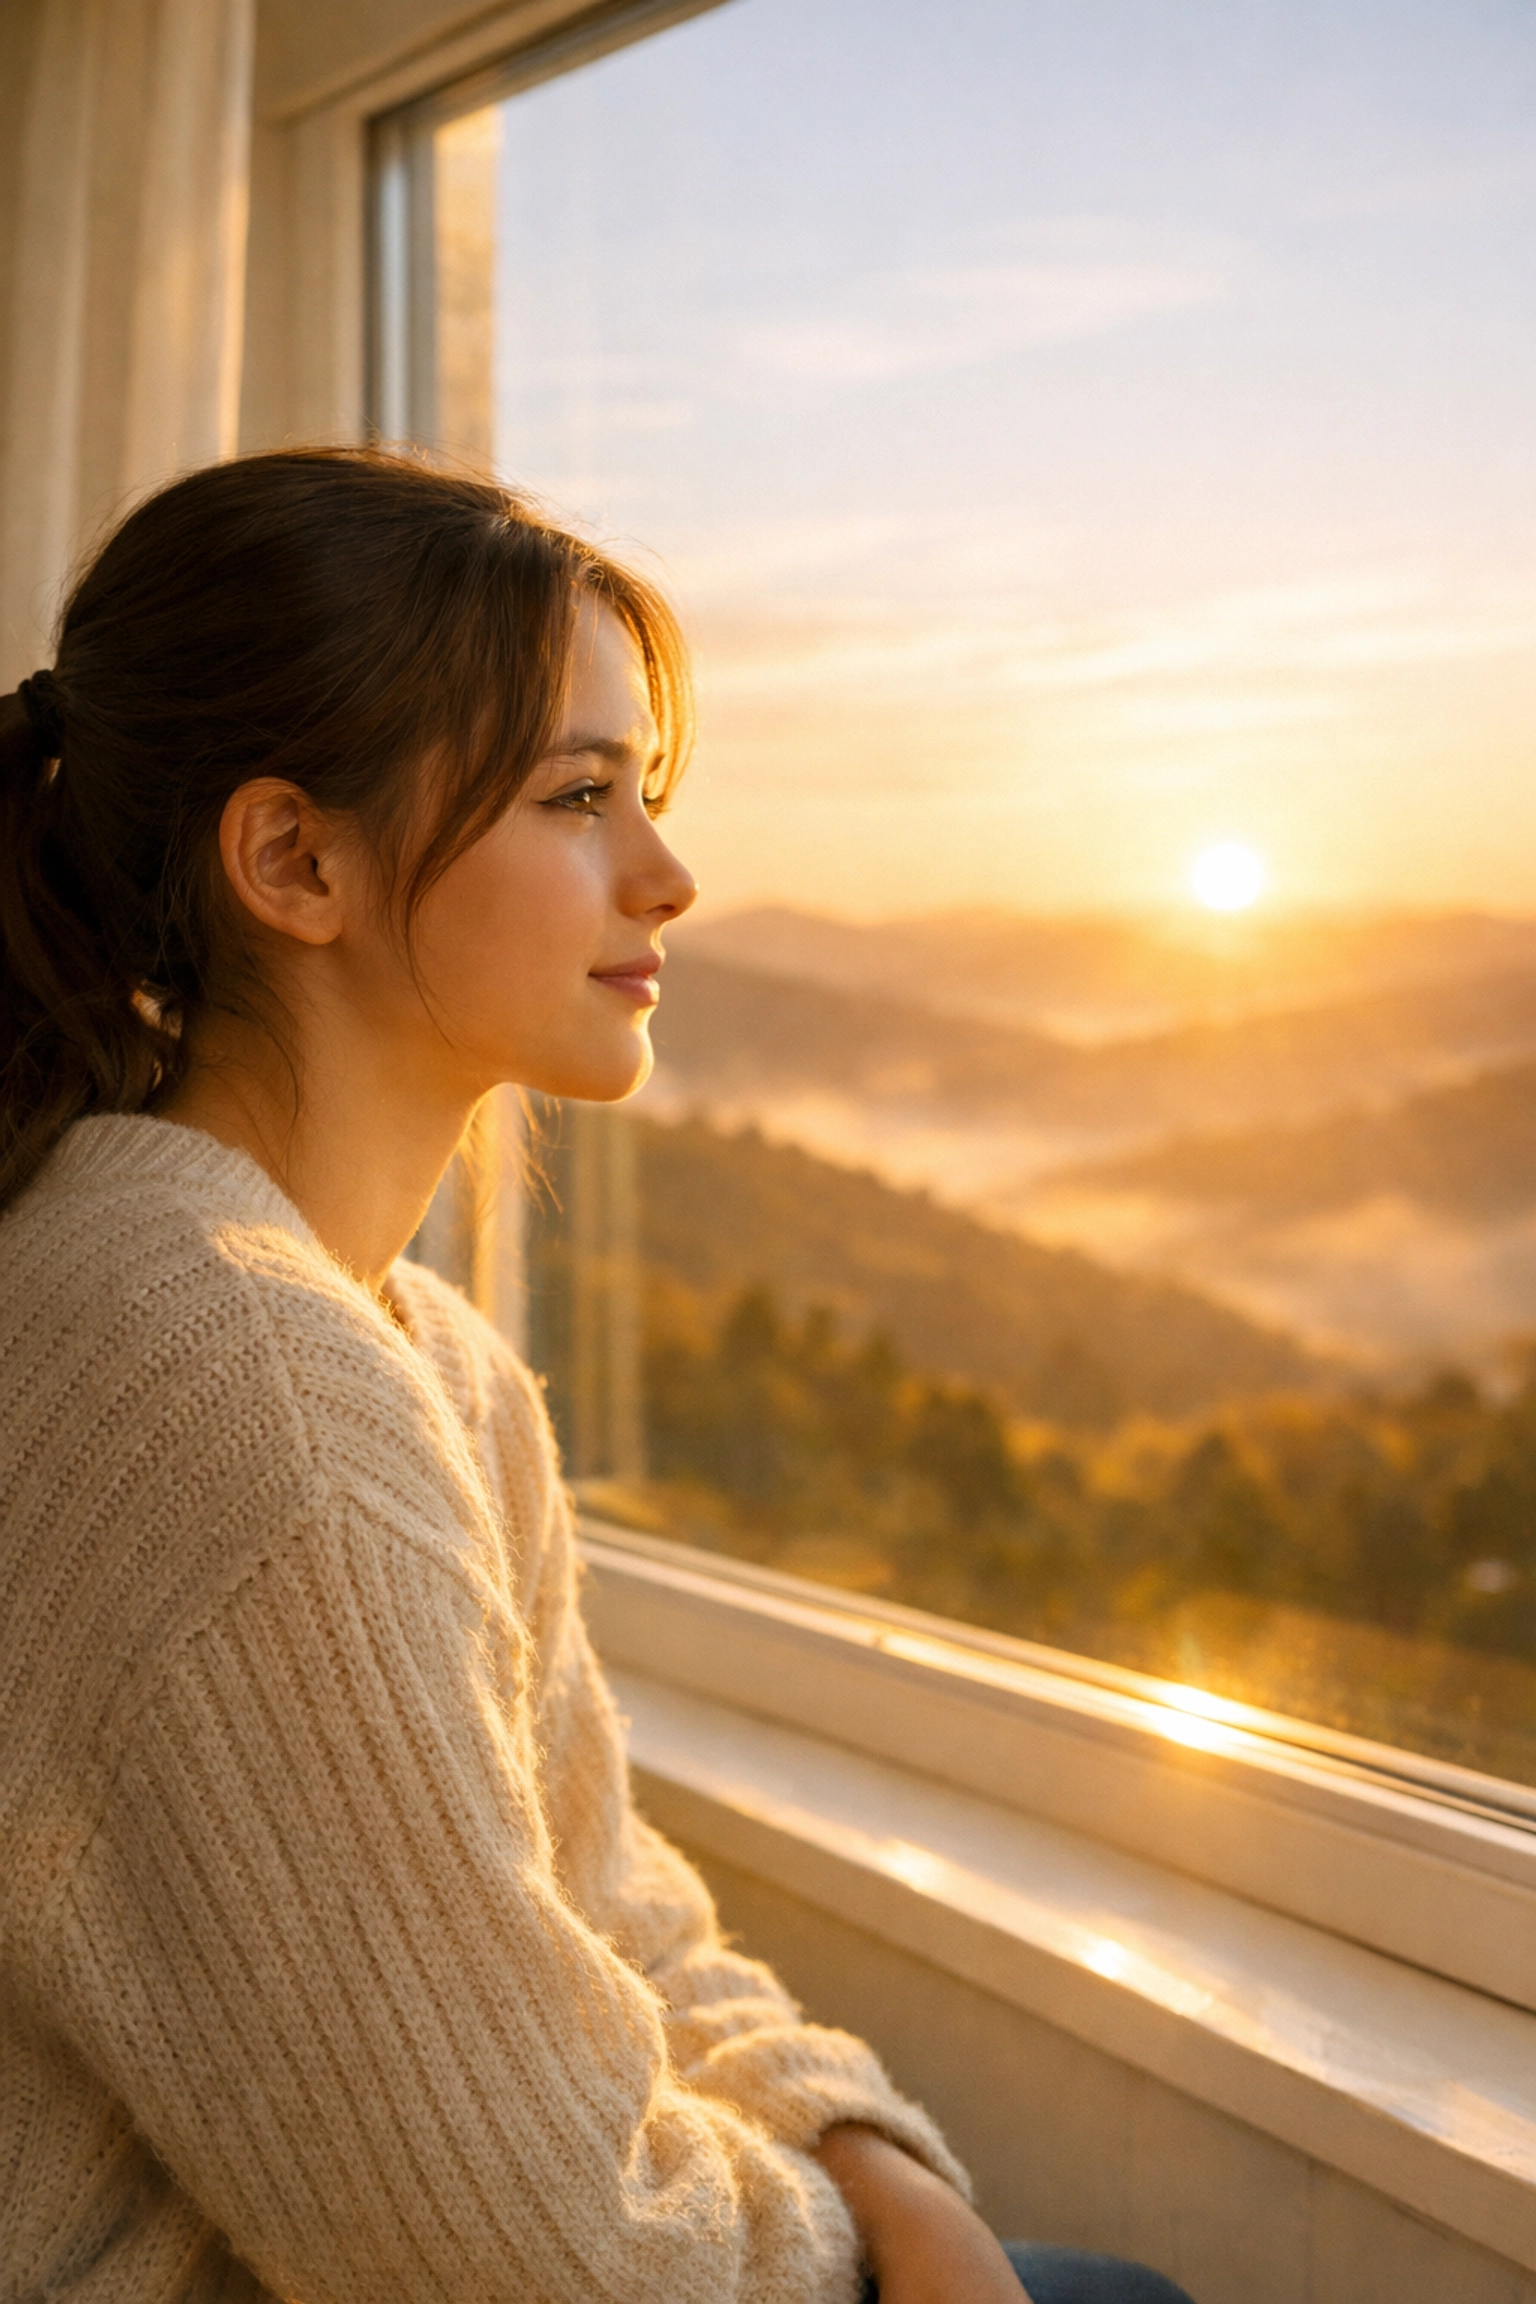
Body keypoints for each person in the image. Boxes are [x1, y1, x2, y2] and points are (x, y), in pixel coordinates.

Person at [0, 448, 1195, 2304]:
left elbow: (608, 1900)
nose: (669, 872)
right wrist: (881, 2246)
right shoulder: (224, 1375)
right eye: (578, 798)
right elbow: (534, 2251)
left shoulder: (427, 1366)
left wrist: (871, 2157)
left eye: (643, 792)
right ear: (294, 860)